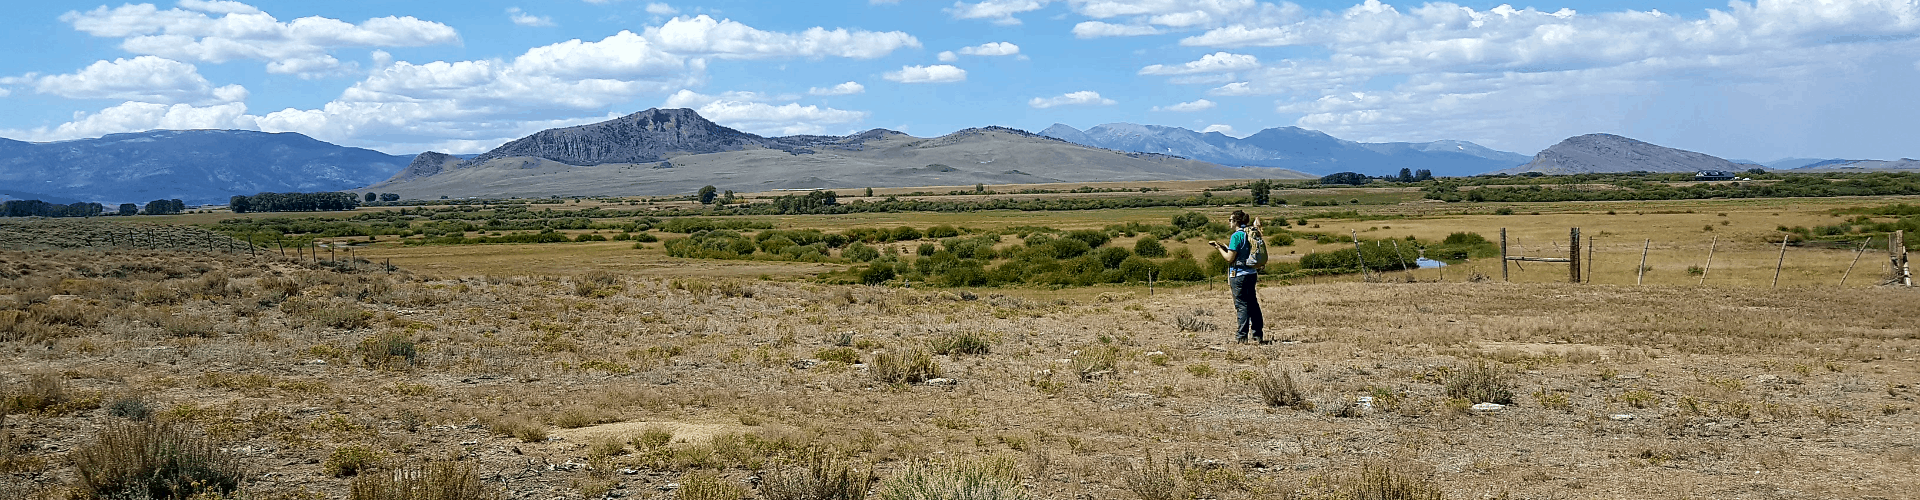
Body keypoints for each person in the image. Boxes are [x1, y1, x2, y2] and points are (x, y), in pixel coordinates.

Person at [1209, 210, 1264, 344]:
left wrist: (1219, 248)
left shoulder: (1236, 236)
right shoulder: (1250, 233)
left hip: (1238, 274)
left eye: (1230, 220)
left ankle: (1242, 336)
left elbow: (1229, 258)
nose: (1229, 222)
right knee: (1253, 303)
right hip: (1251, 273)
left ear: (1236, 221)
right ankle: (1257, 334)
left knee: (1241, 305)